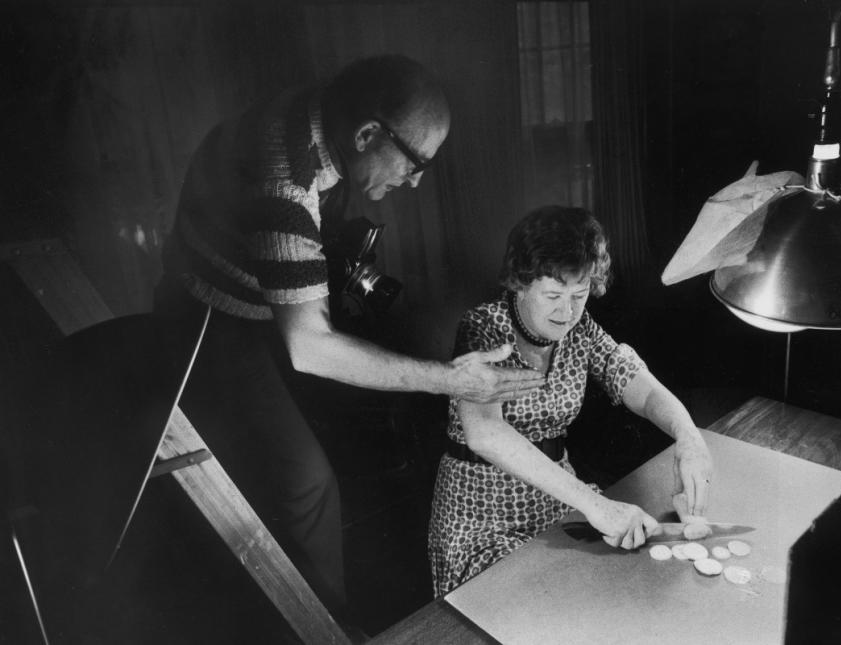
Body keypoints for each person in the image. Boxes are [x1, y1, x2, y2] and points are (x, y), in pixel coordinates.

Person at [153, 55, 544, 618]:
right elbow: (309, 346)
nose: (414, 181)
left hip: (260, 309)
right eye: (414, 163)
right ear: (367, 134)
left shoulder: (324, 113)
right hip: (207, 323)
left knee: (358, 437)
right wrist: (451, 380)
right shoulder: (287, 179)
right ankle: (324, 630)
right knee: (306, 484)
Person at [428, 205, 714, 596]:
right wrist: (596, 507)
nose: (567, 312)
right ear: (519, 283)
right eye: (552, 295)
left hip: (556, 501)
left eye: (579, 294)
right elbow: (485, 434)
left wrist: (689, 436)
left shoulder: (581, 331)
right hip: (482, 515)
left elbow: (637, 384)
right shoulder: (482, 326)